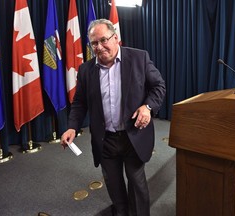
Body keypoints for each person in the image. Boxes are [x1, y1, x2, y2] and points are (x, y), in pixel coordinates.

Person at [61, 19, 166, 216]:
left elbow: (159, 86)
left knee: (136, 182)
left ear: (116, 38)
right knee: (113, 183)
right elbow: (79, 103)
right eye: (94, 43)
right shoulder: (85, 70)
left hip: (133, 134)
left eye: (103, 40)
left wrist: (148, 107)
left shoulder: (139, 58)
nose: (99, 47)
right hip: (105, 139)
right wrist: (72, 127)